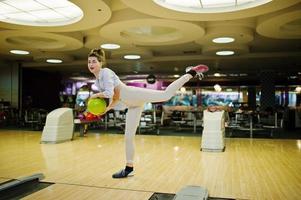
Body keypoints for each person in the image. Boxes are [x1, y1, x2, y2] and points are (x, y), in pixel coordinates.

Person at [87, 48, 208, 178]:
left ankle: (191, 72)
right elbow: (115, 97)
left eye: (94, 61)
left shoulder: (106, 73)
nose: (91, 64)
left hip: (133, 94)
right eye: (89, 62)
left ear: (100, 63)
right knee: (128, 137)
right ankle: (129, 168)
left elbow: (109, 93)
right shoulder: (97, 81)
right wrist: (106, 109)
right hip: (132, 105)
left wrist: (94, 96)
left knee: (166, 95)